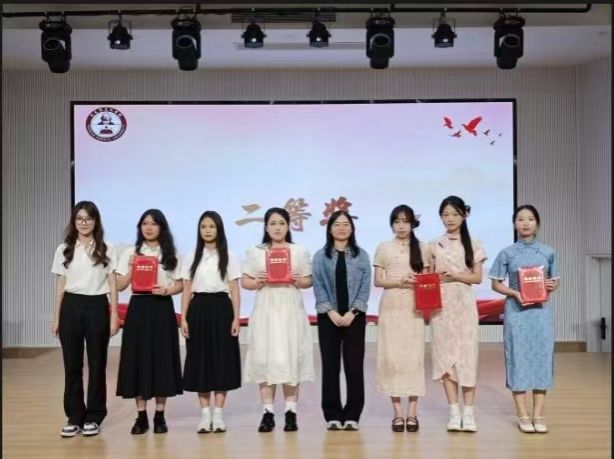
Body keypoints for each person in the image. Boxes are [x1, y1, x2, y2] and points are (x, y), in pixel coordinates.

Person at [241, 207, 314, 432]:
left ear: (288, 226)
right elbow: (245, 281)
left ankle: (291, 412)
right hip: (266, 308)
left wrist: (299, 281)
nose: (277, 228)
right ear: (265, 227)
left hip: (290, 308)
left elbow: (309, 280)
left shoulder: (298, 251)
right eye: (272, 223)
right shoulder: (256, 252)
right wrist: (258, 281)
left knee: (290, 357)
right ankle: (268, 413)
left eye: (282, 223)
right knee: (265, 358)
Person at [489, 205, 560, 434]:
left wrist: (552, 285)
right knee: (517, 359)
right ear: (514, 224)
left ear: (537, 224)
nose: (526, 223)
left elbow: (554, 281)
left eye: (530, 219)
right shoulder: (507, 253)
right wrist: (514, 292)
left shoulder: (548, 252)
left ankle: (538, 414)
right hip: (516, 313)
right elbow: (495, 283)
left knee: (541, 359)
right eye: (520, 219)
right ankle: (522, 414)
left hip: (540, 314)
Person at [51, 200, 119, 437]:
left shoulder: (106, 248)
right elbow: (60, 285)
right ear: (74, 221)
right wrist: (56, 317)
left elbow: (112, 284)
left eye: (88, 219)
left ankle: (94, 415)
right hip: (71, 306)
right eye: (79, 219)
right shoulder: (64, 249)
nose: (84, 223)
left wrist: (114, 316)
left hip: (97, 305)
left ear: (95, 221)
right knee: (72, 365)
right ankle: (75, 415)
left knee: (98, 363)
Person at [115, 209, 183, 434]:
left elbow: (180, 284)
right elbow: (120, 285)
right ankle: (141, 416)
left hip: (162, 307)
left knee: (162, 360)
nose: (149, 227)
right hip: (138, 307)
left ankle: (160, 416)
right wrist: (131, 269)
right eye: (144, 223)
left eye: (154, 223)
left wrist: (167, 290)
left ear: (161, 227)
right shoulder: (131, 252)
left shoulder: (171, 253)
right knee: (138, 359)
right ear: (140, 227)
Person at [428, 195, 487, 432]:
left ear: (465, 215)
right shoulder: (433, 244)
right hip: (441, 307)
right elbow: (428, 277)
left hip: (464, 304)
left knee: (467, 356)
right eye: (445, 214)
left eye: (454, 214)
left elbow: (477, 277)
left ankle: (469, 413)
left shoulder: (474, 243)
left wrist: (455, 276)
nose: (450, 219)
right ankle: (453, 411)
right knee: (445, 357)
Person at [180, 211, 242, 434]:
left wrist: (236, 317)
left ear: (219, 229)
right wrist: (183, 317)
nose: (207, 230)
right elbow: (187, 289)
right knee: (201, 360)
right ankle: (205, 415)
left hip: (222, 309)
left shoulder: (229, 256)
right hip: (198, 309)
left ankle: (218, 415)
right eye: (203, 227)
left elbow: (234, 289)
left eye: (212, 226)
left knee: (222, 360)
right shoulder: (191, 256)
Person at [312, 210, 371, 431]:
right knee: (330, 367)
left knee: (354, 367)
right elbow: (318, 286)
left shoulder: (361, 255)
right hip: (328, 318)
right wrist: (331, 312)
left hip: (354, 318)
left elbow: (365, 287)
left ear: (352, 228)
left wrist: (353, 312)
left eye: (346, 224)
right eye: (337, 224)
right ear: (329, 229)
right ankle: (332, 415)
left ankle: (353, 414)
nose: (342, 228)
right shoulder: (321, 256)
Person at [373, 205, 429, 432]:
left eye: (405, 221)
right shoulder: (384, 247)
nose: (401, 226)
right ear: (392, 224)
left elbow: (428, 280)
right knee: (392, 359)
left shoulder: (423, 248)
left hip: (413, 308)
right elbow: (378, 281)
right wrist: (399, 282)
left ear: (413, 223)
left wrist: (416, 282)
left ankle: (413, 413)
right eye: (397, 222)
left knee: (413, 359)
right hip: (391, 307)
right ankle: (397, 413)